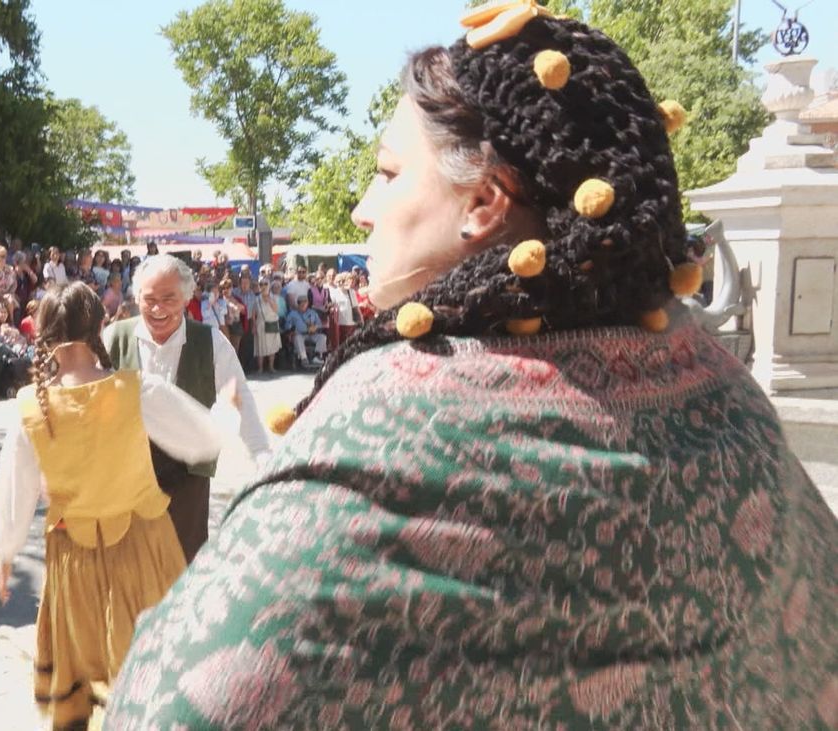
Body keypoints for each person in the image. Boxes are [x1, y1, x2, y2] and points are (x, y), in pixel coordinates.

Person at [105, 7, 838, 728]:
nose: (364, 208)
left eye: (388, 173)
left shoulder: (386, 424)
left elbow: (171, 703)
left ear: (483, 201)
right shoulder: (729, 395)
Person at [0, 282, 223, 731]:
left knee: (87, 676)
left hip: (73, 560)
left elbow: (13, 489)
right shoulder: (136, 390)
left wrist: (4, 553)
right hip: (145, 546)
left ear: (43, 334)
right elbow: (204, 439)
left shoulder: (30, 408)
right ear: (100, 325)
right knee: (151, 666)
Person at [103, 254, 270, 563]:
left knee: (182, 565)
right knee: (127, 570)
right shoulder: (113, 339)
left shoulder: (211, 342)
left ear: (187, 297)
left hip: (187, 480)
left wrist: (263, 459)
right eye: (149, 298)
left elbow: (240, 397)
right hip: (126, 475)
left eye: (169, 298)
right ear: (136, 297)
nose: (158, 308)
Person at [284, 296, 325, 368]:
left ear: (308, 303)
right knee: (297, 338)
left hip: (312, 334)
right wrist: (292, 330)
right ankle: (304, 358)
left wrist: (315, 327)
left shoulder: (313, 313)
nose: (303, 304)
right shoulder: (292, 314)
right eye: (300, 302)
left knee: (322, 337)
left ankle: (318, 356)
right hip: (300, 334)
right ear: (298, 303)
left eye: (305, 302)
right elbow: (287, 326)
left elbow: (320, 324)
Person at [253, 274, 282, 373]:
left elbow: (276, 310)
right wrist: (253, 325)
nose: (263, 285)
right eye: (261, 284)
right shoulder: (256, 298)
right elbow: (253, 313)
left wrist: (268, 298)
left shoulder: (274, 297)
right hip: (260, 323)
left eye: (265, 283)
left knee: (272, 346)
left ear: (269, 285)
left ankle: (271, 367)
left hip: (272, 322)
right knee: (260, 346)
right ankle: (260, 368)